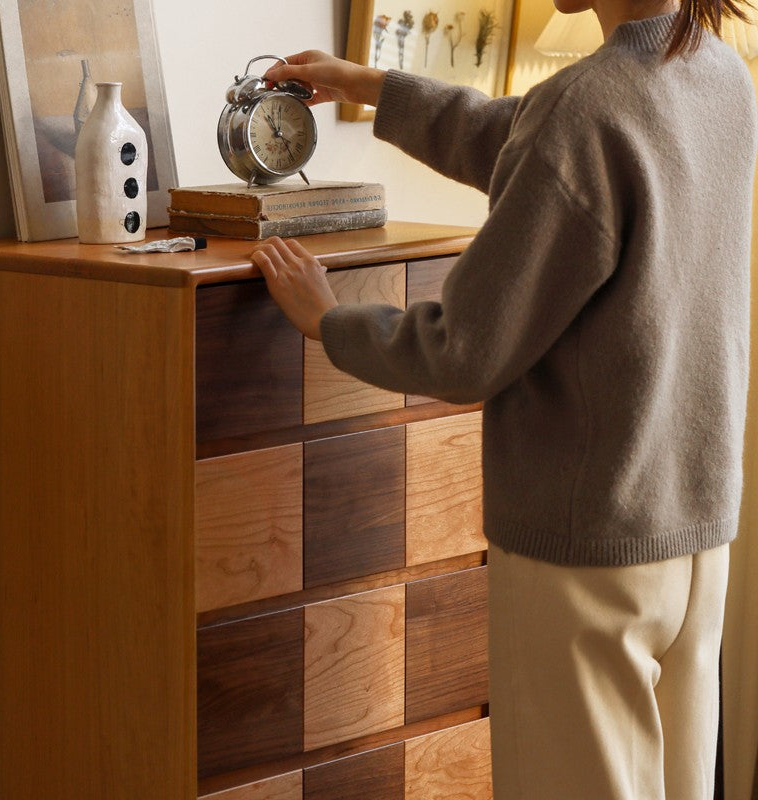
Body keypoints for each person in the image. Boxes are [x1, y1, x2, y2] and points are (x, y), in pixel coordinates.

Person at [250, 0, 758, 796]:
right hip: (694, 540)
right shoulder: (721, 77)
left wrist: (329, 322)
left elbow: (466, 350)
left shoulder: (587, 106)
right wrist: (372, 86)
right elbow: (533, 147)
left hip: (585, 549)